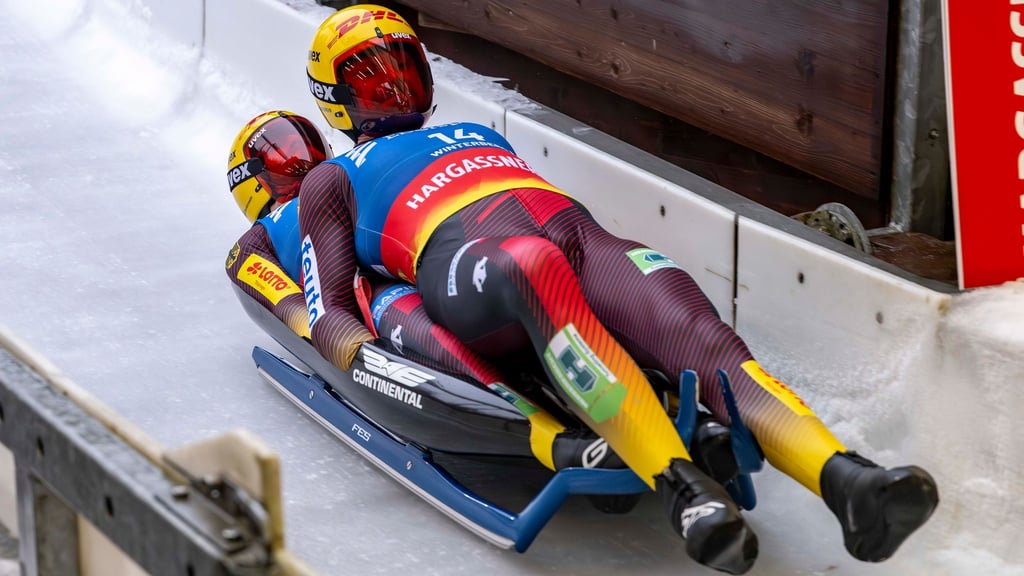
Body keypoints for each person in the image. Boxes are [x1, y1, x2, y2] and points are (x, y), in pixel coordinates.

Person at [295, 5, 938, 574]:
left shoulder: (482, 133)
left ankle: (848, 480)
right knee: (531, 265)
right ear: (336, 98)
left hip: (582, 239)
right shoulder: (330, 179)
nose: (394, 88)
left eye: (404, 68)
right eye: (370, 80)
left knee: (692, 328)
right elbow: (329, 308)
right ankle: (681, 488)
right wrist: (373, 357)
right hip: (474, 266)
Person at [222, 110, 694, 476]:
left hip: (427, 269)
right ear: (253, 184)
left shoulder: (345, 182)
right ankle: (548, 433)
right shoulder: (257, 238)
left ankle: (636, 385)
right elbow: (277, 293)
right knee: (392, 302)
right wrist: (331, 334)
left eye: (303, 147)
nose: (298, 162)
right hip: (376, 300)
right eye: (281, 161)